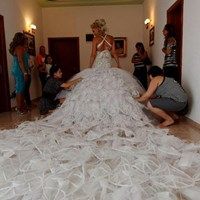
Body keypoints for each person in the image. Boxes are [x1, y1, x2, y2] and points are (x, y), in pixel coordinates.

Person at [1, 21, 199, 200]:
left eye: (93, 29)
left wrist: (89, 70)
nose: (93, 31)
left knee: (91, 94)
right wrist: (119, 66)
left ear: (98, 29)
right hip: (110, 68)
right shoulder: (111, 39)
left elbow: (94, 55)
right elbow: (114, 54)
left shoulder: (96, 39)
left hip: (98, 68)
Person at [9, 32, 29, 114]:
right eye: (24, 38)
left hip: (18, 70)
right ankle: (19, 108)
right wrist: (24, 73)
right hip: (19, 70)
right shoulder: (19, 48)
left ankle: (21, 106)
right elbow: (20, 61)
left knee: (20, 89)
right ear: (21, 39)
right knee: (19, 89)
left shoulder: (20, 48)